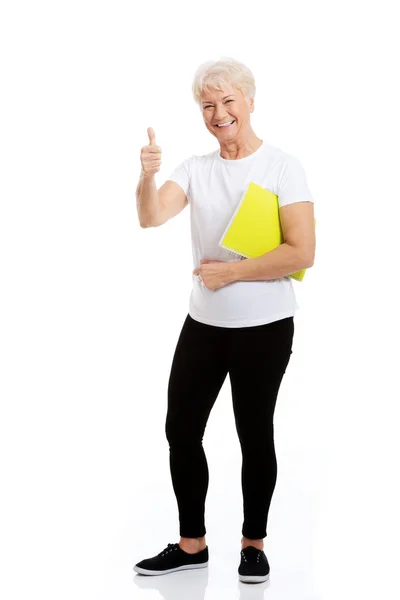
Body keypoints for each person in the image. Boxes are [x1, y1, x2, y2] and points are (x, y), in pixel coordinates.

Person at [133, 56, 316, 584]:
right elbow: (151, 216)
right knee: (181, 429)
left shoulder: (283, 166)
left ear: (250, 102)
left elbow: (302, 252)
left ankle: (253, 544)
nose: (219, 113)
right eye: (208, 105)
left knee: (253, 433)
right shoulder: (195, 168)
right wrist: (146, 177)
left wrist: (232, 275)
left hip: (266, 327)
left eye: (228, 101)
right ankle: (192, 545)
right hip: (204, 324)